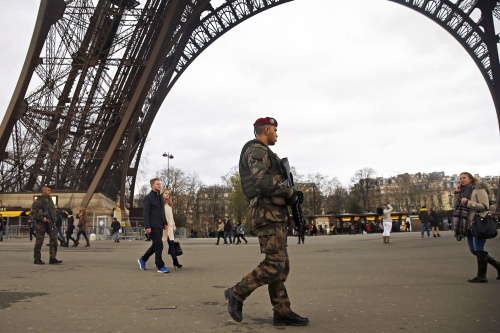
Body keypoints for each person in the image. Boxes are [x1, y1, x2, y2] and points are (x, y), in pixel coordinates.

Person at [225, 117, 309, 326]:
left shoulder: (264, 152)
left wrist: (292, 195)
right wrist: (290, 191)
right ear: (267, 130)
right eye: (275, 130)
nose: (277, 134)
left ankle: (282, 311)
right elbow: (262, 181)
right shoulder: (257, 150)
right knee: (274, 264)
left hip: (273, 213)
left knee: (281, 265)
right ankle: (236, 293)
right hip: (266, 212)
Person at [452, 172, 500, 283]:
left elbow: (485, 206)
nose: (462, 180)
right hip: (467, 225)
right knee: (474, 250)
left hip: (478, 223)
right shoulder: (462, 191)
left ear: (470, 179)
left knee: (478, 249)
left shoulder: (479, 190)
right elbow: (455, 205)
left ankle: (481, 276)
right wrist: (457, 193)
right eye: (460, 178)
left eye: (464, 178)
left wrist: (468, 203)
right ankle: (498, 265)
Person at [137, 178, 169, 273]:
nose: (159, 185)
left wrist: (165, 222)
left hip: (159, 225)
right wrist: (147, 226)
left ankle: (143, 259)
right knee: (159, 244)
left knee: (155, 245)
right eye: (157, 184)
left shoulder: (160, 197)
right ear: (152, 185)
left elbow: (162, 211)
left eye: (160, 184)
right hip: (152, 225)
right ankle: (160, 265)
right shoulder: (148, 198)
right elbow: (145, 213)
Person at [31, 184, 62, 265]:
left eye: (50, 190)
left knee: (54, 240)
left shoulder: (50, 200)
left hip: (50, 222)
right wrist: (42, 218)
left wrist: (54, 218)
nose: (49, 191)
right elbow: (33, 212)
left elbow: (52, 211)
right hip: (41, 223)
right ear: (43, 190)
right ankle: (37, 258)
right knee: (39, 241)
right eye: (48, 190)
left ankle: (52, 257)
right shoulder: (39, 200)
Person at [161, 189, 182, 269]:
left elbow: (171, 217)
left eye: (168, 193)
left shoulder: (169, 205)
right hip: (163, 228)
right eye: (165, 193)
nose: (167, 195)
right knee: (158, 246)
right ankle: (157, 260)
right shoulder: (160, 205)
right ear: (162, 194)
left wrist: (173, 226)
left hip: (169, 228)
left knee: (172, 245)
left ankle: (175, 261)